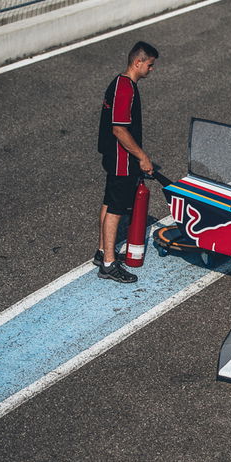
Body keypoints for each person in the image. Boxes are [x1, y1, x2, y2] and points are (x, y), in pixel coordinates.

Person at [94, 41, 158, 283]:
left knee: (109, 202)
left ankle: (102, 252)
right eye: (150, 65)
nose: (152, 70)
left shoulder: (119, 83)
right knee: (117, 209)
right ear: (137, 62)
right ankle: (109, 264)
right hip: (122, 159)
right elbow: (119, 129)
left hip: (113, 157)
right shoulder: (126, 89)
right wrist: (142, 157)